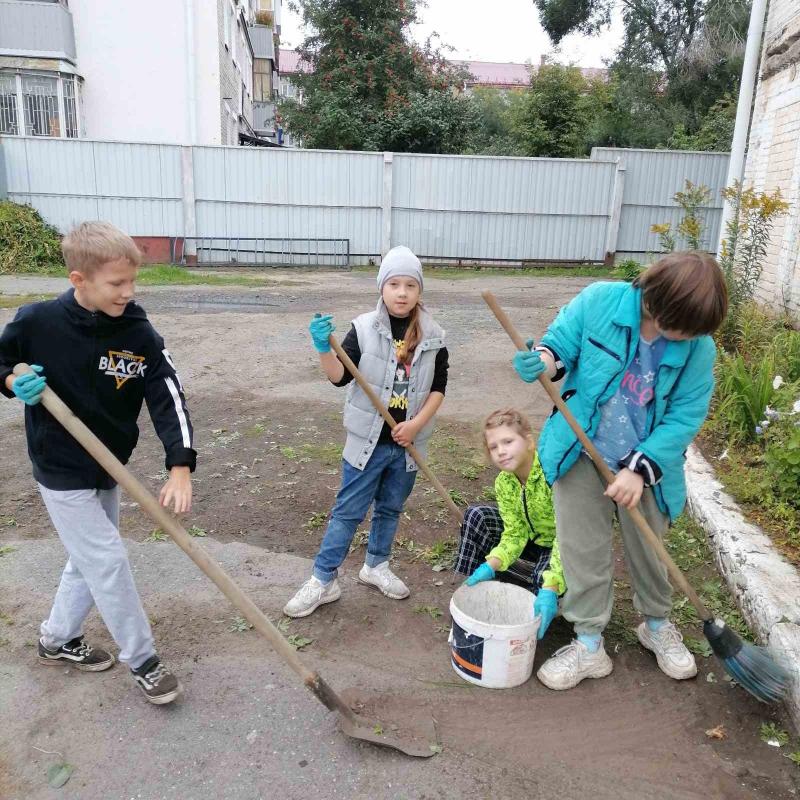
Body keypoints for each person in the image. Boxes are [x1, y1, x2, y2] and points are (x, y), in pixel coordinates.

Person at [0, 221, 196, 704]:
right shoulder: (37, 322)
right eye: (116, 284)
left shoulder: (137, 330)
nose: (128, 293)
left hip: (110, 464)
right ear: (78, 279)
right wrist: (10, 383)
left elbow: (166, 395)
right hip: (60, 465)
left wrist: (180, 464)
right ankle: (144, 659)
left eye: (132, 282)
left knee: (87, 561)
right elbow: (1, 362)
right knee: (106, 560)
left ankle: (57, 638)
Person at [512, 251, 727, 690]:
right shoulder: (599, 302)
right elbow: (560, 347)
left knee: (649, 549)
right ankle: (589, 642)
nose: (686, 337)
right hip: (581, 452)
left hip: (647, 465)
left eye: (693, 332)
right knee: (582, 550)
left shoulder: (698, 349)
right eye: (680, 326)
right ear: (655, 298)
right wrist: (543, 361)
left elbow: (685, 416)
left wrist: (639, 469)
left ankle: (655, 624)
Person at [284, 246, 448, 618]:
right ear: (382, 288)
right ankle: (323, 579)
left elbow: (439, 386)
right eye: (394, 284)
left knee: (390, 508)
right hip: (367, 443)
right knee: (347, 512)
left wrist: (416, 424)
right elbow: (339, 378)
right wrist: (323, 348)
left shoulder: (435, 335)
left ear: (420, 291)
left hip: (407, 445)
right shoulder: (362, 329)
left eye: (410, 285)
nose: (402, 292)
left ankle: (376, 566)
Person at [455, 408, 564, 640]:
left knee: (545, 580)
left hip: (562, 545)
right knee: (476, 515)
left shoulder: (552, 475)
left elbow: (568, 537)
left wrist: (551, 585)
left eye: (508, 441)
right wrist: (491, 565)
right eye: (494, 447)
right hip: (529, 540)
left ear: (529, 442)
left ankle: (549, 600)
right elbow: (514, 533)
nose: (501, 452)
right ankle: (471, 593)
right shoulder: (504, 482)